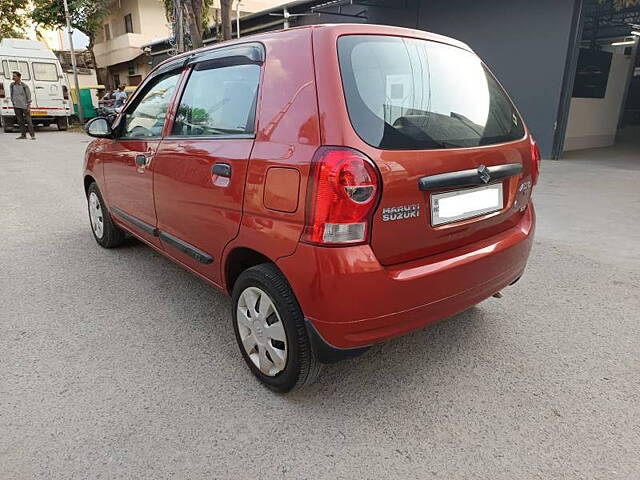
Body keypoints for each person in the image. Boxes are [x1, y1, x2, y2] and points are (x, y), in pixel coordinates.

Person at [10, 71, 35, 140]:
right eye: (13, 76)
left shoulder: (24, 86)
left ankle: (32, 135)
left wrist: (28, 106)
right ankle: (23, 135)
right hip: (16, 106)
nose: (13, 77)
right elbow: (11, 95)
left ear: (19, 77)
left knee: (29, 121)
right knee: (20, 121)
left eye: (14, 76)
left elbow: (28, 96)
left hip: (25, 106)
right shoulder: (12, 85)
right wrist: (13, 102)